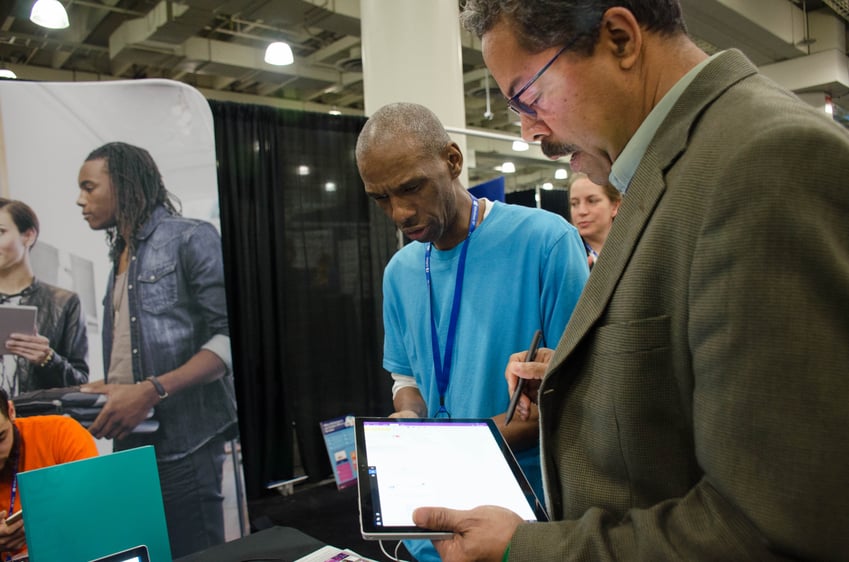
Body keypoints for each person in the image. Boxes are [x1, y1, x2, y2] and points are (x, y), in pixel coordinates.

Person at [410, 1, 849, 560]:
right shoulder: (680, 164)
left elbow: (772, 528)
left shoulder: (767, 161)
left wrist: (524, 548)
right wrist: (587, 379)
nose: (529, 129)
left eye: (529, 97)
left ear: (620, 38)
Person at [356, 102, 589, 562]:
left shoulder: (546, 241)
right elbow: (407, 379)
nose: (400, 212)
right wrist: (408, 421)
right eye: (381, 198)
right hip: (429, 520)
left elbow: (578, 395)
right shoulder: (400, 271)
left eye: (411, 188)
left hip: (523, 521)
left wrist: (448, 448)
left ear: (453, 161)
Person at [76, 142, 239, 558]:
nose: (81, 199)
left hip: (185, 442)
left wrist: (151, 390)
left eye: (89, 187)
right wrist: (111, 386)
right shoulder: (122, 254)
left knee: (196, 553)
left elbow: (226, 339)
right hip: (132, 439)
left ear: (125, 184)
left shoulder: (190, 237)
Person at [0, 198, 89, 395]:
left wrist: (48, 360)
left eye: (1, 232)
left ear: (29, 236)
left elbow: (82, 383)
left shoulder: (65, 302)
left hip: (39, 419)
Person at [0, 388, 98, 558]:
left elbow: (97, 510)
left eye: (0, 437)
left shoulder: (61, 434)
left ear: (11, 411)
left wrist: (38, 530)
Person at [567, 173, 621, 269]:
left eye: (592, 201)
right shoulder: (565, 257)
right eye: (574, 203)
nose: (582, 211)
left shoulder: (637, 248)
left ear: (615, 206)